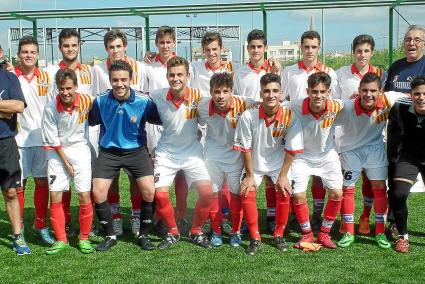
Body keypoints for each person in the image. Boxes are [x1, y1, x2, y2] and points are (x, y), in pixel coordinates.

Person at [89, 60, 161, 251]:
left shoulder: (144, 101)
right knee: (98, 191)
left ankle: (144, 235)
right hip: (109, 152)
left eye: (123, 79)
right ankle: (110, 235)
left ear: (131, 79)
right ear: (110, 80)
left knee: (148, 190)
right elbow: (90, 121)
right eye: (115, 80)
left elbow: (160, 119)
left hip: (136, 151)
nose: (119, 84)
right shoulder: (100, 101)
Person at [234, 73, 304, 255]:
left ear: (281, 93)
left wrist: (282, 176)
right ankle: (255, 237)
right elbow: (245, 148)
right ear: (260, 93)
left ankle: (278, 234)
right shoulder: (248, 116)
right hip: (254, 165)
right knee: (246, 192)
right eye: (266, 91)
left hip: (279, 165)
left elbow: (292, 148)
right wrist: (249, 175)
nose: (271, 95)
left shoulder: (290, 116)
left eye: (275, 91)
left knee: (284, 191)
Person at [336, 72, 407, 249]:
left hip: (375, 149)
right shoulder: (346, 106)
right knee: (348, 189)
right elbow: (324, 106)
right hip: (350, 150)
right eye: (365, 90)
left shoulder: (388, 100)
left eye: (373, 90)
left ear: (380, 91)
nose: (368, 94)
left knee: (380, 188)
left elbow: (412, 95)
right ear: (358, 90)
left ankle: (380, 233)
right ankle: (349, 232)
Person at [151, 56, 213, 249]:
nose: (175, 78)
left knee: (207, 192)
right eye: (172, 75)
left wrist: (253, 103)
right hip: (166, 154)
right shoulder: (157, 96)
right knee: (160, 195)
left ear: (188, 76)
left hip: (192, 153)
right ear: (166, 76)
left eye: (180, 75)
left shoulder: (199, 96)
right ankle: (173, 231)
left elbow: (224, 101)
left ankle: (196, 231)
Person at [281, 31, 339, 231]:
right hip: (296, 131)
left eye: (313, 47)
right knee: (296, 176)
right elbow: (283, 99)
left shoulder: (330, 72)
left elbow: (335, 102)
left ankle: (316, 213)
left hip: (320, 131)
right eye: (306, 46)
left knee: (319, 177)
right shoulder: (289, 71)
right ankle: (296, 215)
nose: (310, 51)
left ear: (319, 48)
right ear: (301, 47)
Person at [92, 29, 146, 236]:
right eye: (111, 47)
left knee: (135, 178)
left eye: (118, 46)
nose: (115, 50)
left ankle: (135, 215)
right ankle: (114, 216)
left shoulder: (140, 67)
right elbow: (95, 99)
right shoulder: (97, 70)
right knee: (111, 178)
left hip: (134, 131)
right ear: (106, 49)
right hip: (109, 131)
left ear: (125, 46)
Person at [45, 28, 96, 238]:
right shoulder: (51, 72)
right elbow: (50, 102)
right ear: (60, 48)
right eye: (66, 45)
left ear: (79, 46)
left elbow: (97, 100)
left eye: (74, 45)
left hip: (85, 135)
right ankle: (65, 223)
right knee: (60, 187)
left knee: (86, 185)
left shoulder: (90, 71)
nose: (70, 49)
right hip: (59, 134)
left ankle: (89, 226)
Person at [335, 34, 386, 236]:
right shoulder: (341, 73)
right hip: (348, 136)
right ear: (353, 52)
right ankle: (346, 222)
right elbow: (335, 102)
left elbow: (386, 100)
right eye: (358, 51)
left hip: (372, 136)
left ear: (372, 52)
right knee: (346, 182)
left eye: (366, 51)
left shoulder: (382, 73)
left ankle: (365, 216)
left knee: (370, 181)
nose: (362, 55)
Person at [197, 72, 255, 247]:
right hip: (212, 155)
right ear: (211, 92)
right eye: (216, 92)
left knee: (236, 194)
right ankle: (216, 231)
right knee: (212, 193)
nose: (220, 96)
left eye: (225, 91)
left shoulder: (246, 103)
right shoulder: (202, 106)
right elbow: (194, 123)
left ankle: (235, 232)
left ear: (232, 91)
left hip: (236, 156)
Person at [233, 29, 281, 232]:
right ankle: (242, 220)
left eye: (259, 46)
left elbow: (280, 98)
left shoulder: (275, 70)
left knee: (271, 177)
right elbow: (235, 99)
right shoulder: (240, 72)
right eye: (252, 46)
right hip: (248, 126)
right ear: (247, 48)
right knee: (244, 176)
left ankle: (271, 216)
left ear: (266, 48)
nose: (255, 50)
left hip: (271, 128)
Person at [42, 69, 94, 254]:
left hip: (80, 151)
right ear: (57, 88)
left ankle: (84, 238)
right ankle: (62, 239)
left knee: (83, 195)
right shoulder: (50, 108)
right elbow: (53, 140)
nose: (65, 92)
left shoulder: (87, 100)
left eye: (69, 88)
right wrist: (66, 163)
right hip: (58, 154)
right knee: (55, 196)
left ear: (76, 87)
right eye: (62, 89)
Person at [290, 72, 343, 249]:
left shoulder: (337, 106)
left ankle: (324, 233)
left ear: (328, 92)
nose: (318, 96)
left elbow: (360, 104)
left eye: (322, 91)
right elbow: (273, 107)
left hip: (327, 155)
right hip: (302, 157)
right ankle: (307, 234)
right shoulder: (294, 106)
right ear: (308, 91)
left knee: (337, 194)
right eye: (314, 91)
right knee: (298, 195)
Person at [13, 35, 55, 244]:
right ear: (18, 54)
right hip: (18, 139)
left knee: (42, 182)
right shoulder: (11, 76)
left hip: (42, 139)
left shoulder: (47, 76)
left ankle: (40, 224)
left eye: (32, 52)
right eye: (24, 52)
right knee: (19, 185)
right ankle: (17, 226)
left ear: (38, 55)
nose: (28, 55)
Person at [384, 25, 425, 238]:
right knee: (394, 178)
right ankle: (393, 222)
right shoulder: (396, 67)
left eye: (417, 39)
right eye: (408, 39)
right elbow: (385, 96)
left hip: (420, 134)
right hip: (396, 132)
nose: (412, 43)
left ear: (424, 44)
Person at [389, 76, 425, 253]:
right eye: (417, 93)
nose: (421, 97)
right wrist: (391, 160)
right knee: (399, 193)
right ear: (410, 95)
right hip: (409, 156)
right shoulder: (400, 106)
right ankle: (403, 236)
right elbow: (393, 136)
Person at [0, 63, 31, 255]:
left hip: (5, 142)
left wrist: (8, 109)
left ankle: (17, 235)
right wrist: (4, 110)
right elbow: (10, 108)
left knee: (11, 192)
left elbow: (19, 106)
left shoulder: (9, 77)